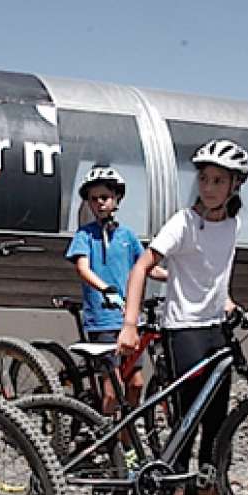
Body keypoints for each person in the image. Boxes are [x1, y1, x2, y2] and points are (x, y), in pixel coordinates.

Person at [118, 139, 248, 495]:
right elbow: (143, 265)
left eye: (218, 180)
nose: (209, 187)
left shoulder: (232, 225)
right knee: (184, 429)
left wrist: (229, 305)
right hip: (184, 334)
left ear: (234, 186)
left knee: (216, 427)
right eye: (204, 178)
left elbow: (213, 277)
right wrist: (129, 323)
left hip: (216, 331)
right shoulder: (183, 222)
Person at [65, 165, 166, 435]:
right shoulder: (84, 235)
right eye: (94, 198)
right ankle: (104, 440)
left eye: (105, 197)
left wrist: (176, 277)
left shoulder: (128, 236)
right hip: (102, 320)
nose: (100, 203)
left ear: (116, 199)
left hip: (128, 320)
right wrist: (106, 288)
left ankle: (125, 440)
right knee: (112, 391)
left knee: (135, 385)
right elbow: (83, 268)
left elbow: (147, 267)